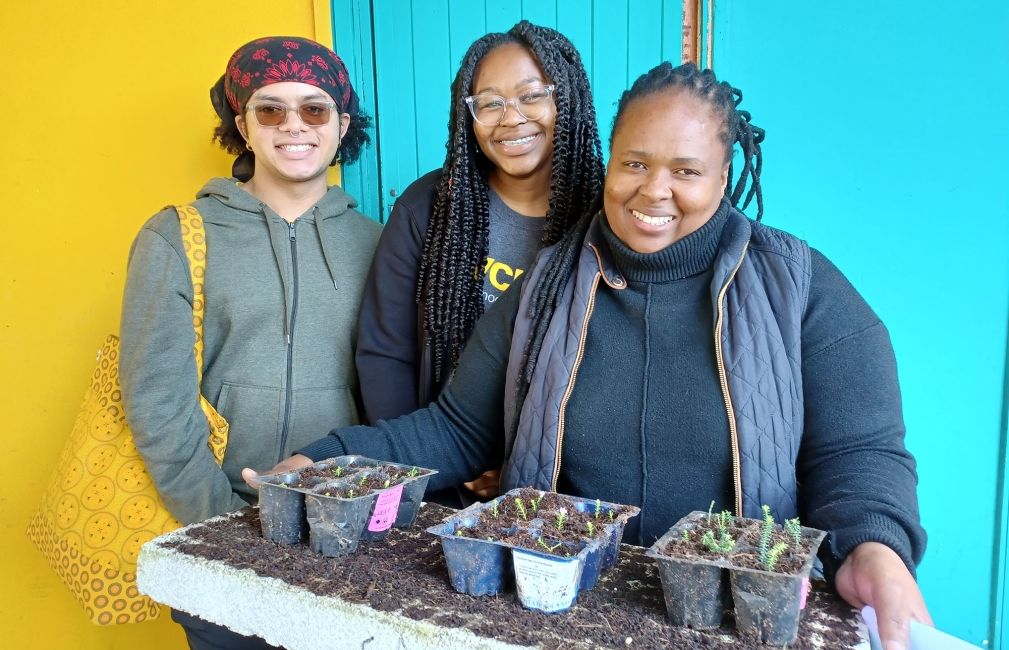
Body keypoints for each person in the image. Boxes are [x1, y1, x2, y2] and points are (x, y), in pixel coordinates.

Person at [245, 61, 930, 649]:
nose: (653, 190)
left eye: (685, 170)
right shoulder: (548, 284)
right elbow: (455, 428)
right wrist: (331, 458)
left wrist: (873, 547)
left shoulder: (800, 287)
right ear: (609, 158)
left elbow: (860, 452)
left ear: (725, 174)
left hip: (725, 616)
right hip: (561, 606)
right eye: (634, 162)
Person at [120, 36, 381, 649]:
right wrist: (222, 524)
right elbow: (157, 399)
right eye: (271, 109)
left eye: (314, 109)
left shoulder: (378, 243)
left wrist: (355, 510)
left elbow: (391, 391)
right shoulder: (175, 236)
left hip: (345, 533)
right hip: (217, 533)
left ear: (342, 124)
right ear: (242, 122)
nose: (295, 126)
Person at [354, 20, 603, 422]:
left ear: (567, 100)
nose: (511, 118)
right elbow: (385, 352)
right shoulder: (428, 208)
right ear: (467, 116)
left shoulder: (608, 218)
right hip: (441, 457)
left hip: (556, 468)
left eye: (532, 95)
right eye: (490, 103)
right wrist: (424, 463)